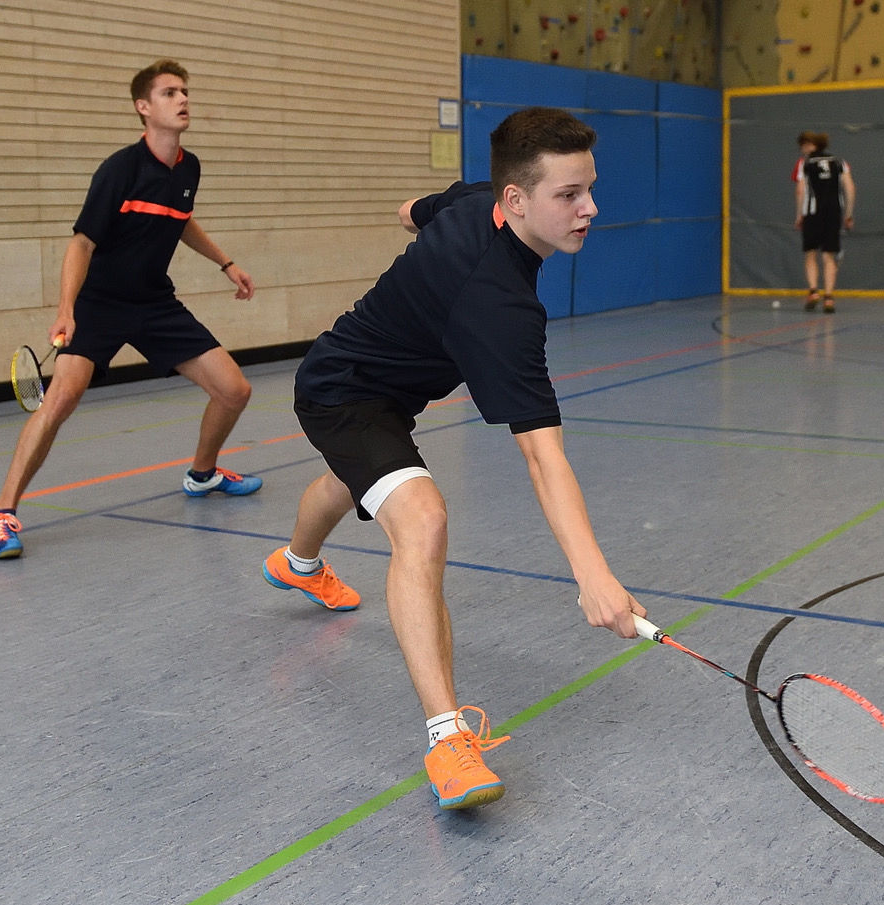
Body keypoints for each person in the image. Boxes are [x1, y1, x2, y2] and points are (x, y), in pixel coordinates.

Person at [260, 107, 647, 811]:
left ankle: (297, 563)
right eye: (570, 195)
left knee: (354, 479)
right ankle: (447, 741)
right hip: (341, 390)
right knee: (424, 518)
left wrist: (414, 217)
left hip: (385, 394)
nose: (590, 208)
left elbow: (418, 208)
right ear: (516, 200)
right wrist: (595, 576)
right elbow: (542, 458)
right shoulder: (500, 306)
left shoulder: (477, 199)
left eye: (590, 188)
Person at [0, 59, 262, 559]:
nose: (183, 100)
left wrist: (226, 263)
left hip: (155, 302)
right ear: (144, 107)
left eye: (185, 92)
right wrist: (67, 309)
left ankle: (202, 475)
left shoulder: (188, 167)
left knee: (234, 390)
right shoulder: (119, 169)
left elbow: (180, 221)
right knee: (61, 399)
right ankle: (2, 513)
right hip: (102, 303)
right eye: (170, 92)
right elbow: (81, 244)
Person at [793, 131, 855, 313]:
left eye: (802, 146)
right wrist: (848, 214)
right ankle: (828, 298)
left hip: (812, 212)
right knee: (828, 255)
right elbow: (850, 188)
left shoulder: (804, 162)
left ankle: (813, 292)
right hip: (833, 212)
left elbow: (800, 190)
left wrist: (799, 216)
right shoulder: (839, 161)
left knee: (811, 253)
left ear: (808, 145)